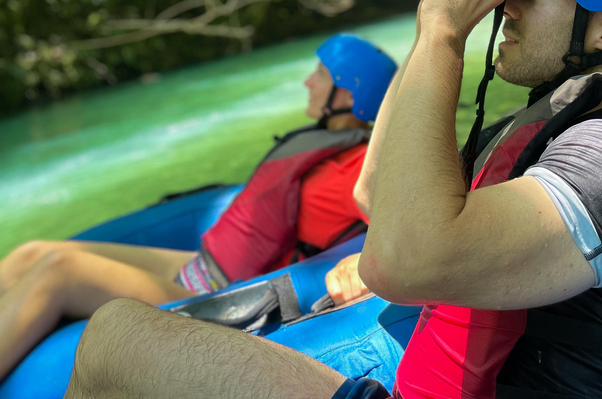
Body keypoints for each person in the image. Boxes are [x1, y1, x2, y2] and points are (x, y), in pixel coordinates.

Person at [62, 0, 602, 399]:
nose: (505, 8)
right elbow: (376, 198)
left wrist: (444, 31)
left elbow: (400, 259)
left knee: (115, 337)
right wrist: (433, 29)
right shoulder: (565, 133)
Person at [0, 33, 397, 380]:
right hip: (200, 264)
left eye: (321, 74)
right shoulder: (321, 141)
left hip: (223, 291)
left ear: (348, 95)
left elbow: (398, 223)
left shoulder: (354, 168)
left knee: (59, 272)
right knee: (31, 252)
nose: (308, 81)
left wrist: (360, 259)